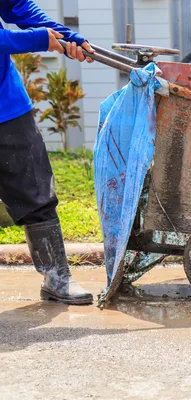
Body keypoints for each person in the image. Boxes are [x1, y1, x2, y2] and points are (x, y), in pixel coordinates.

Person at [1, 0, 96, 305]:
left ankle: (58, 276)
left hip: (6, 104)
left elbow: (16, 5)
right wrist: (40, 39)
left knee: (36, 190)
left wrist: (64, 36)